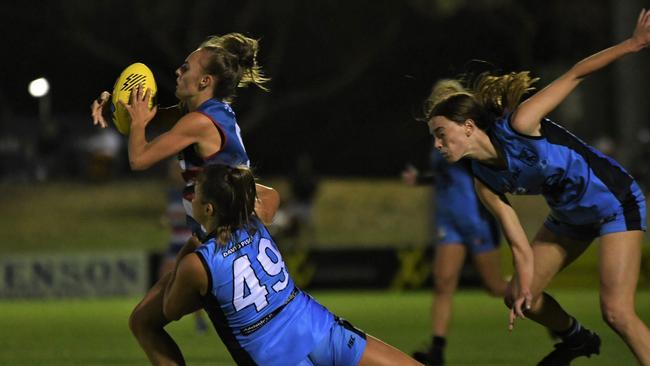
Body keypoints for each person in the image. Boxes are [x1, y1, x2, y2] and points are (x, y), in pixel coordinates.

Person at [423, 9, 650, 365]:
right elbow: (518, 245)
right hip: (569, 219)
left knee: (617, 313)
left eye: (440, 134)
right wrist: (524, 287)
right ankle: (575, 338)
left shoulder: (521, 124)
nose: (437, 145)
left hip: (616, 203)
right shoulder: (484, 181)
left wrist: (632, 44)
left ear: (467, 126)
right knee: (517, 294)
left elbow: (576, 73)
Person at [136, 163, 422, 365]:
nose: (190, 196)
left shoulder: (197, 264)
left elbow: (170, 309)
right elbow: (271, 194)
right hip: (320, 329)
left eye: (195, 192)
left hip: (276, 357)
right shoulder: (253, 219)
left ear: (208, 208)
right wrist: (233, 182)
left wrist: (192, 243)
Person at [90, 33, 279, 234]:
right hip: (224, 227)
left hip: (229, 235)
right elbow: (151, 114)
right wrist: (114, 102)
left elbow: (139, 159)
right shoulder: (209, 112)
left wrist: (136, 124)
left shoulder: (198, 122)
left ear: (205, 81)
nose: (177, 71)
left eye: (186, 68)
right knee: (185, 258)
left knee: (187, 261)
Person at [403, 114, 506, 365]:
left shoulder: (466, 134)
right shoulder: (439, 139)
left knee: (495, 286)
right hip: (448, 222)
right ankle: (436, 352)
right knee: (443, 284)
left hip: (475, 219)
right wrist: (421, 179)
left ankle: (544, 309)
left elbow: (485, 163)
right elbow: (446, 174)